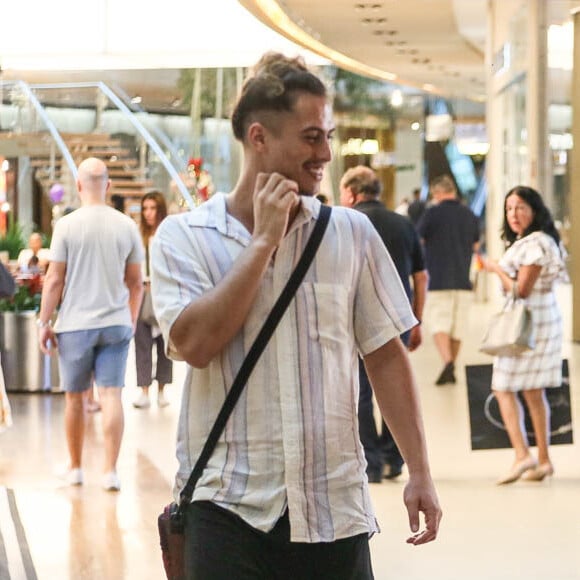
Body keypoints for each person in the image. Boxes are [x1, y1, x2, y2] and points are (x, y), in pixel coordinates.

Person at [150, 52, 441, 578]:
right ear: (259, 137)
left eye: (327, 135)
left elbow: (385, 355)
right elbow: (193, 344)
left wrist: (419, 471)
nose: (325, 152)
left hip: (332, 508)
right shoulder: (184, 237)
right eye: (311, 137)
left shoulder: (350, 234)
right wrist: (263, 241)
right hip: (225, 506)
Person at [37, 157, 144, 491]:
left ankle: (76, 467)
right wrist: (130, 319)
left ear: (79, 185)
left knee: (75, 398)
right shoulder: (127, 225)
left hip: (75, 325)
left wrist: (44, 321)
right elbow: (136, 282)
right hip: (115, 323)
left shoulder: (67, 226)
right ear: (108, 186)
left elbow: (55, 279)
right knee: (112, 395)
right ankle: (110, 471)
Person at [340, 165, 428, 482]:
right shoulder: (404, 224)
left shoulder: (345, 224)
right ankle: (394, 458)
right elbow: (421, 276)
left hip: (353, 316)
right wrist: (417, 319)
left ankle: (371, 463)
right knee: (393, 383)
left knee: (362, 390)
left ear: (350, 193)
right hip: (397, 315)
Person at [481, 186, 568, 485]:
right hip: (540, 321)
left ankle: (523, 455)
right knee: (533, 391)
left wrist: (495, 269)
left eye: (520, 208)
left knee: (503, 386)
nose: (514, 215)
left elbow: (522, 289)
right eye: (509, 209)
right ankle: (543, 460)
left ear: (534, 209)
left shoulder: (536, 243)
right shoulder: (540, 241)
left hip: (528, 326)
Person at [417, 174, 480, 385]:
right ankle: (451, 362)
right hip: (463, 279)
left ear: (437, 193)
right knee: (458, 327)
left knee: (438, 324)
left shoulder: (432, 213)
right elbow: (476, 246)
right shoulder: (470, 214)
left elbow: (419, 240)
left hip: (438, 278)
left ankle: (447, 362)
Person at [133, 191, 173, 409]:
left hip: (164, 294)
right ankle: (144, 389)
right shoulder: (138, 236)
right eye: (145, 209)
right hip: (142, 293)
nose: (148, 213)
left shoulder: (168, 234)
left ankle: (162, 389)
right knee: (142, 342)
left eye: (152, 208)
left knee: (165, 343)